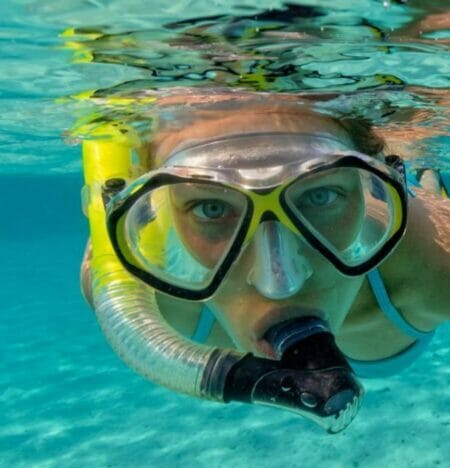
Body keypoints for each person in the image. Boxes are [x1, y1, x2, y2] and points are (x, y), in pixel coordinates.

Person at [80, 90, 450, 432]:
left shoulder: (434, 270)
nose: (281, 282)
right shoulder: (139, 290)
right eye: (211, 208)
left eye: (320, 196)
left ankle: (426, 182)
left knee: (428, 198)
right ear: (159, 210)